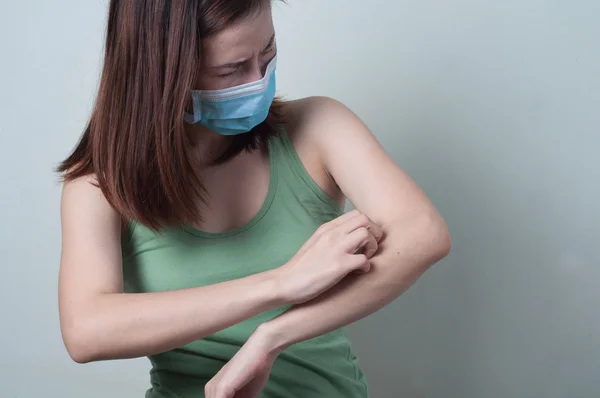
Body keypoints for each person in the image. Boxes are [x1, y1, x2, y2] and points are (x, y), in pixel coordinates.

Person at [56, 1, 451, 397]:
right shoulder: (99, 185)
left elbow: (423, 234)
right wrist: (280, 284)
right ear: (162, 75)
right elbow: (85, 331)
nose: (260, 80)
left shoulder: (318, 127)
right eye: (231, 70)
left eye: (268, 53)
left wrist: (272, 337)